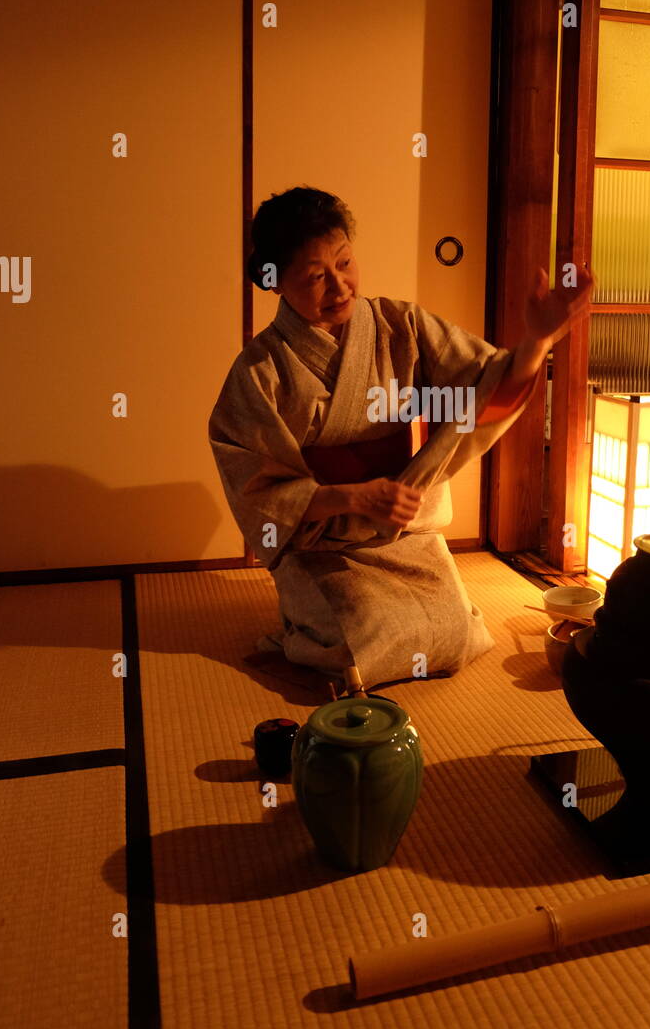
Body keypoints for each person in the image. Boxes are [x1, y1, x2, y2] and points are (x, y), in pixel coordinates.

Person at [208, 186, 593, 690]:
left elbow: (485, 383)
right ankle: (302, 630)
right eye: (314, 277)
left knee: (456, 632)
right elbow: (256, 487)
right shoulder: (261, 371)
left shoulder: (400, 325)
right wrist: (350, 495)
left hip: (402, 530)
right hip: (323, 543)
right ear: (275, 282)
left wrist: (538, 340)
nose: (340, 287)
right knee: (369, 637)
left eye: (345, 262)